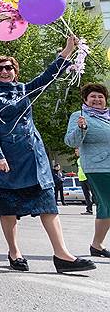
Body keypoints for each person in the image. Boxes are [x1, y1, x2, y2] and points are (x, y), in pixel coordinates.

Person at [0, 35, 95, 274]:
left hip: (33, 159)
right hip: (6, 161)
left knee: (48, 205)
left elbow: (48, 76)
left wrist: (68, 50)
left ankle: (62, 255)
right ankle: (14, 251)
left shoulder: (23, 89)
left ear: (15, 71)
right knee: (9, 209)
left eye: (8, 68)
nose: (4, 71)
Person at [65, 83, 110, 258]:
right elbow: (71, 142)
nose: (97, 99)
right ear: (85, 99)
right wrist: (81, 128)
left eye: (100, 96)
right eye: (93, 96)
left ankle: (97, 245)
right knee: (107, 204)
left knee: (105, 207)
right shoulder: (80, 116)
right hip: (98, 167)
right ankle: (97, 245)